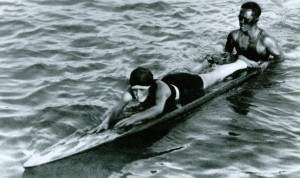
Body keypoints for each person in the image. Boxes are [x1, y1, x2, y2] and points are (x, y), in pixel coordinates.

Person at [91, 59, 250, 132]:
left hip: (187, 86)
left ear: (149, 86)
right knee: (195, 73)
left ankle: (241, 63)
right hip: (172, 82)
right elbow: (117, 108)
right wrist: (106, 121)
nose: (137, 94)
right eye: (134, 90)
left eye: (141, 90)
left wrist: (133, 118)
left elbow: (158, 109)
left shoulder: (159, 89)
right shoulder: (132, 89)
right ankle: (205, 62)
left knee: (215, 77)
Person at [207, 2, 283, 68]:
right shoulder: (234, 36)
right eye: (240, 18)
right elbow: (228, 54)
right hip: (241, 63)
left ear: (256, 20)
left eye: (246, 19)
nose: (241, 22)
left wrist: (268, 63)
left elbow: (281, 58)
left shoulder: (266, 41)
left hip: (259, 69)